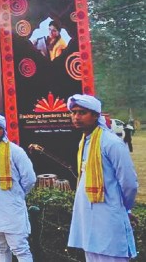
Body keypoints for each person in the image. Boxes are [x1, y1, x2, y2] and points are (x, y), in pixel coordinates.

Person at [67, 94, 138, 261]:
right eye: (73, 112)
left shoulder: (111, 143)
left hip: (109, 218)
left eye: (82, 112)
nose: (76, 117)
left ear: (96, 115)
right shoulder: (85, 141)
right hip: (88, 221)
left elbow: (129, 183)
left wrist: (124, 208)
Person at [0, 113, 36, 262]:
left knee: (20, 249)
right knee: (0, 248)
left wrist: (15, 195)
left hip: (12, 210)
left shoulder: (16, 151)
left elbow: (30, 179)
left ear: (4, 130)